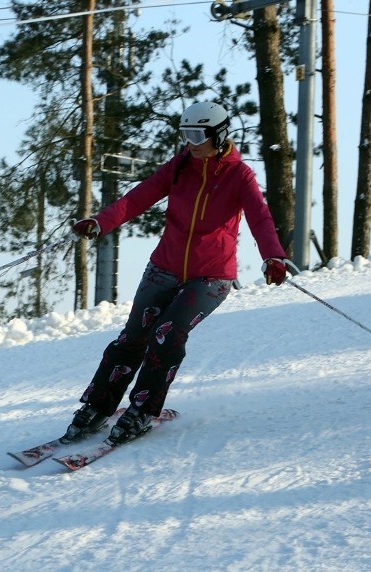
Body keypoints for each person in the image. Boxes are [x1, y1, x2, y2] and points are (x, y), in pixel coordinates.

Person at [67, 101, 288, 445]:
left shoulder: (238, 175)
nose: (190, 142)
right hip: (164, 268)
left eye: (197, 135)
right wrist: (100, 222)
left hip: (211, 276)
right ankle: (98, 406)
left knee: (167, 335)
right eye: (185, 134)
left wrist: (273, 256)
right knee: (132, 338)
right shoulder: (179, 167)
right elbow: (137, 198)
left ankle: (142, 409)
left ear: (218, 134)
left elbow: (260, 217)